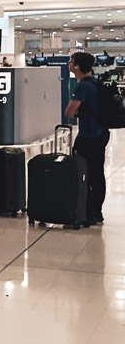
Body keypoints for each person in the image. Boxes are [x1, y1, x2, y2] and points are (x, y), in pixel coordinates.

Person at [66, 51, 109, 226]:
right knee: (97, 173)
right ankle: (97, 211)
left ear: (77, 66)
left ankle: (87, 211)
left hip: (88, 136)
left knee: (83, 172)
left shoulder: (83, 86)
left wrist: (77, 111)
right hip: (101, 134)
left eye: (71, 61)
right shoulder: (95, 83)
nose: (69, 64)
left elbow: (69, 112)